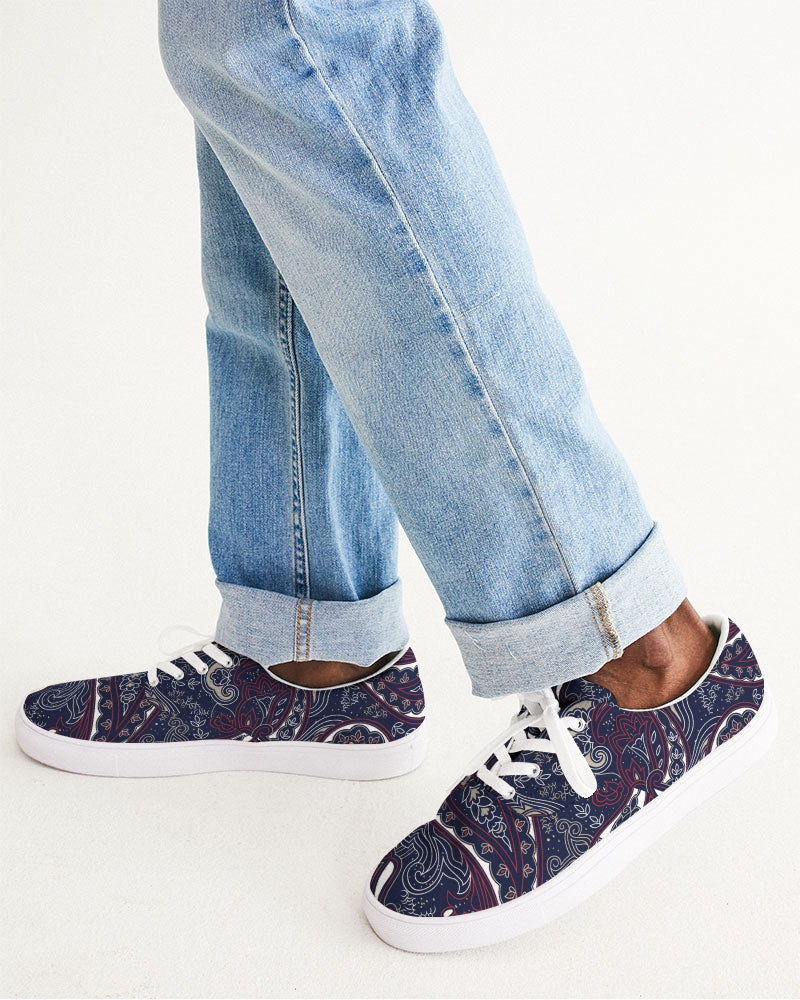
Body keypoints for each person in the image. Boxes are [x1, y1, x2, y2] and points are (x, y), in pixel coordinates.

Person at [15, 0, 776, 952]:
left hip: (648, 660)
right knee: (248, 70)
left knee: (292, 35)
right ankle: (314, 646)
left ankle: (638, 650)